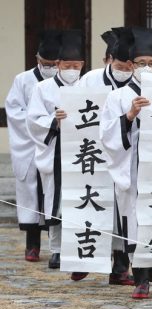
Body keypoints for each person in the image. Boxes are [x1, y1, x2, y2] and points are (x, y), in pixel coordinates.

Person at [100, 26, 152, 299]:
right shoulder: (118, 96)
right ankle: (141, 277)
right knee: (136, 220)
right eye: (142, 63)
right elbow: (107, 134)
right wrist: (130, 115)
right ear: (131, 65)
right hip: (133, 167)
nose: (148, 67)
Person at [71, 27, 134, 285]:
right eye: (120, 65)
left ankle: (120, 267)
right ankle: (84, 260)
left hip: (126, 153)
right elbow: (75, 109)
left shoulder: (141, 82)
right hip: (94, 152)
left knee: (123, 210)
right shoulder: (91, 79)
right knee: (92, 203)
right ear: (110, 60)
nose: (124, 70)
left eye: (130, 66)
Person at [27, 29, 85, 269]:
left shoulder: (88, 85)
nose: (72, 69)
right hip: (56, 151)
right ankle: (57, 250)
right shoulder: (43, 88)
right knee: (56, 202)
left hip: (82, 152)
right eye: (67, 65)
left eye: (76, 65)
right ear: (58, 64)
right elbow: (32, 119)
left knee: (81, 201)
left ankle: (80, 249)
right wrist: (53, 120)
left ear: (82, 65)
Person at [5, 30, 61, 263]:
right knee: (32, 194)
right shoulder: (23, 80)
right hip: (30, 144)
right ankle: (32, 245)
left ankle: (57, 248)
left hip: (55, 143)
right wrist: (39, 121)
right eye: (45, 63)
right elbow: (14, 110)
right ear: (37, 59)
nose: (49, 67)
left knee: (54, 194)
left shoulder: (63, 80)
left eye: (53, 64)